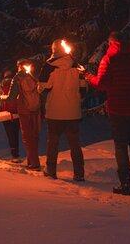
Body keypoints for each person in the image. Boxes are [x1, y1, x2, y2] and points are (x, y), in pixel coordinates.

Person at [83, 31, 130, 195]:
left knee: (120, 144)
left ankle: (125, 184)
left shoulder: (109, 59)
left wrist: (88, 76)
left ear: (112, 43)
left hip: (117, 108)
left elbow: (101, 84)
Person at [38, 39, 86, 181]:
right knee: (75, 144)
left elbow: (42, 88)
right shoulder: (77, 67)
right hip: (73, 113)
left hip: (55, 112)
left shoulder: (48, 67)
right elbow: (83, 90)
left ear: (53, 50)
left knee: (53, 142)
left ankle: (51, 170)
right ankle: (79, 174)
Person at [1, 59, 41, 170]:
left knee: (27, 137)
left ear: (19, 66)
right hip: (36, 110)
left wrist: (2, 97)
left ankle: (34, 164)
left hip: (24, 111)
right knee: (34, 136)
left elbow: (11, 97)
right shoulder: (34, 76)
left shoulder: (17, 78)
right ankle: (31, 161)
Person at [0, 70, 20, 162]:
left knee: (10, 134)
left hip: (5, 114)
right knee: (16, 133)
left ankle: (14, 154)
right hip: (16, 112)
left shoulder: (1, 86)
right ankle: (16, 154)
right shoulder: (16, 83)